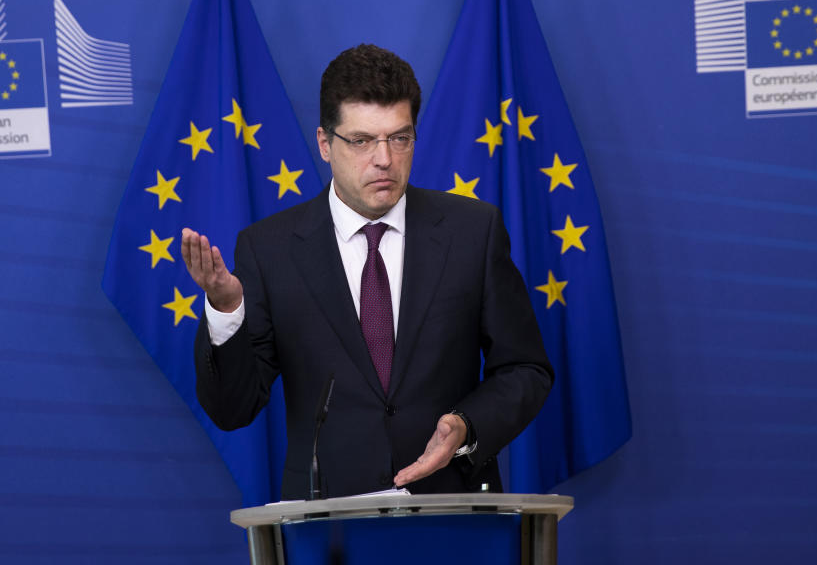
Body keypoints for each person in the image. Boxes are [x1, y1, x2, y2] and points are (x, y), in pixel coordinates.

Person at [183, 44, 552, 500]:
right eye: (361, 141)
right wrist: (226, 309)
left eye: (400, 138)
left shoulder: (473, 232)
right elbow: (232, 410)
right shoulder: (269, 250)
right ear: (325, 143)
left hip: (450, 511)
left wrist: (466, 425)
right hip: (327, 521)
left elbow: (525, 369)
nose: (384, 159)